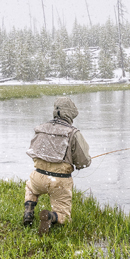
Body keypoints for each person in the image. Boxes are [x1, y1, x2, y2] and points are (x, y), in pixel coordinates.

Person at [22, 96, 92, 235]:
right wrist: (84, 161)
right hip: (60, 181)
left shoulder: (40, 129)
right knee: (64, 216)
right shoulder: (73, 133)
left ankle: (29, 210)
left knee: (30, 188)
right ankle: (51, 216)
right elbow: (83, 162)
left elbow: (34, 152)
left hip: (38, 176)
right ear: (71, 113)